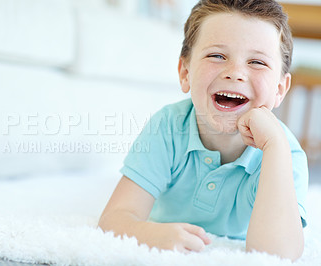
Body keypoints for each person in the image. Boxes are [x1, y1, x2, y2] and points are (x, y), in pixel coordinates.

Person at [98, 0, 308, 261]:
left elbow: (277, 256)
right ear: (185, 73)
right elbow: (113, 219)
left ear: (279, 89)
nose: (236, 73)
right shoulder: (168, 127)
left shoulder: (286, 154)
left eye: (256, 62)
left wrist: (275, 148)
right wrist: (146, 233)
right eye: (217, 56)